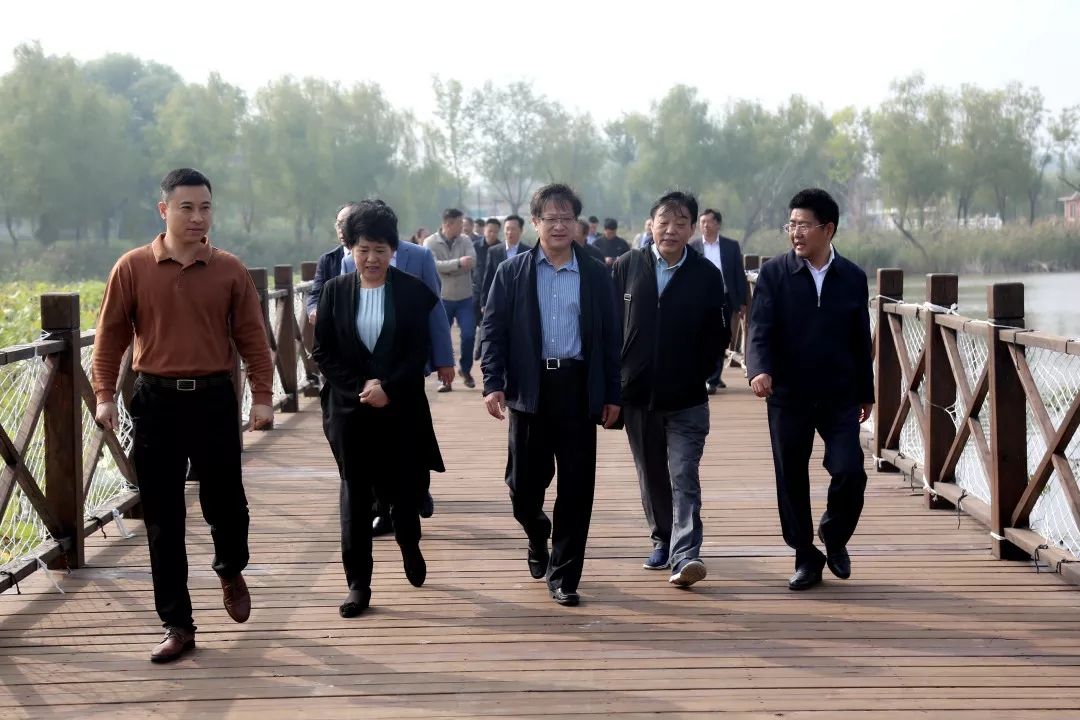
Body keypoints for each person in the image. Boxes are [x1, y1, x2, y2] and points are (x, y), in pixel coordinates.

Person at [92, 168, 274, 663]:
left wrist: (262, 396)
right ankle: (177, 623)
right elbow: (109, 337)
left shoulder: (229, 269)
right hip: (156, 403)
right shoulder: (132, 267)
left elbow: (253, 338)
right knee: (163, 518)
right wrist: (104, 395)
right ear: (164, 210)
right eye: (186, 207)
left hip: (214, 400)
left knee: (227, 504)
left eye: (205, 208)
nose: (197, 217)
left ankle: (230, 566)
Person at [481, 183, 621, 607]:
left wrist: (613, 393)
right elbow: (493, 332)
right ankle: (536, 532)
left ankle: (564, 575)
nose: (559, 226)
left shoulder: (595, 273)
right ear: (535, 222)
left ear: (577, 224)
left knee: (577, 488)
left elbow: (611, 338)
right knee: (523, 488)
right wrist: (492, 381)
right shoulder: (512, 273)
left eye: (567, 218)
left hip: (578, 389)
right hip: (530, 389)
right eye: (551, 218)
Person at [312, 199, 445, 618]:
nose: (371, 258)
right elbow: (323, 351)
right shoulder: (334, 291)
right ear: (351, 248)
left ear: (393, 250)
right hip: (349, 411)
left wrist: (388, 388)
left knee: (402, 489)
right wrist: (360, 388)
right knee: (354, 494)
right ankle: (358, 584)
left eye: (380, 250)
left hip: (400, 407)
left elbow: (418, 350)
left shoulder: (412, 291)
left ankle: (409, 542)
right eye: (363, 249)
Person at [745, 188, 873, 591]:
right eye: (791, 225)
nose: (795, 233)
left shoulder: (852, 277)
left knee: (850, 471)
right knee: (791, 477)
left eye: (804, 225)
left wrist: (866, 392)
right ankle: (805, 556)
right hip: (788, 395)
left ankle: (834, 535)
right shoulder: (774, 273)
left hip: (838, 395)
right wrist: (758, 370)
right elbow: (759, 328)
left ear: (828, 229)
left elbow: (861, 339)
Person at [613, 191, 729, 588]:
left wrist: (698, 372)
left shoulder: (706, 274)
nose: (671, 230)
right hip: (637, 395)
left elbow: (719, 334)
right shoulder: (628, 265)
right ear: (651, 224)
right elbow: (610, 325)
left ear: (692, 229)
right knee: (651, 474)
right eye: (664, 221)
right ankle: (662, 538)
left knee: (683, 473)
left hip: (687, 397)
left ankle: (686, 555)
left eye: (681, 223)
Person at [690, 209, 747, 392]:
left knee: (720, 338)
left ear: (718, 224)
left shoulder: (731, 246)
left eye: (709, 221)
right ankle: (707, 375)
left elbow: (739, 274)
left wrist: (741, 302)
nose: (705, 225)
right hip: (700, 299)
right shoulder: (692, 246)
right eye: (702, 222)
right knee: (701, 338)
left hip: (724, 298)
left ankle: (713, 379)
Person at [424, 209, 477, 391]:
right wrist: (458, 264)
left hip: (464, 298)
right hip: (442, 299)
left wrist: (447, 268)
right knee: (441, 339)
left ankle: (465, 369)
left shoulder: (465, 240)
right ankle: (445, 380)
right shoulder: (430, 242)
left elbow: (472, 261)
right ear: (448, 224)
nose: (462, 227)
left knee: (469, 335)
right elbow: (433, 266)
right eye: (459, 223)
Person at [307, 203, 357, 325]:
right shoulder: (328, 260)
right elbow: (316, 294)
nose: (341, 230)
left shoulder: (375, 257)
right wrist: (314, 310)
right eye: (339, 225)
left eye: (347, 224)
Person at [479, 215, 530, 310]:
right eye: (507, 229)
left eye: (513, 229)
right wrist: (485, 302)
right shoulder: (494, 251)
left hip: (522, 302)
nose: (509, 232)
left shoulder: (529, 252)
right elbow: (488, 277)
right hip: (499, 300)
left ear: (521, 231)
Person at [472, 218, 502, 363]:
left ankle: (481, 349)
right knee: (474, 324)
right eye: (490, 231)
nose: (492, 234)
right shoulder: (474, 247)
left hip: (492, 292)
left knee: (487, 323)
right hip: (475, 291)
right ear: (484, 230)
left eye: (495, 231)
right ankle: (477, 345)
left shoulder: (500, 249)